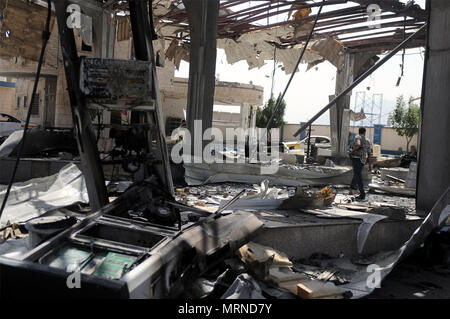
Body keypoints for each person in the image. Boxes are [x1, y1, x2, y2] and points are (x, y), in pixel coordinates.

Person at [349, 127, 372, 200]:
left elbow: (358, 144)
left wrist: (352, 150)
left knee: (358, 176)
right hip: (363, 161)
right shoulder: (368, 140)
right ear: (365, 132)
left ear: (359, 132)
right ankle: (352, 189)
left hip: (356, 159)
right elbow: (369, 154)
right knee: (357, 174)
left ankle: (362, 194)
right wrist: (370, 165)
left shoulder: (357, 137)